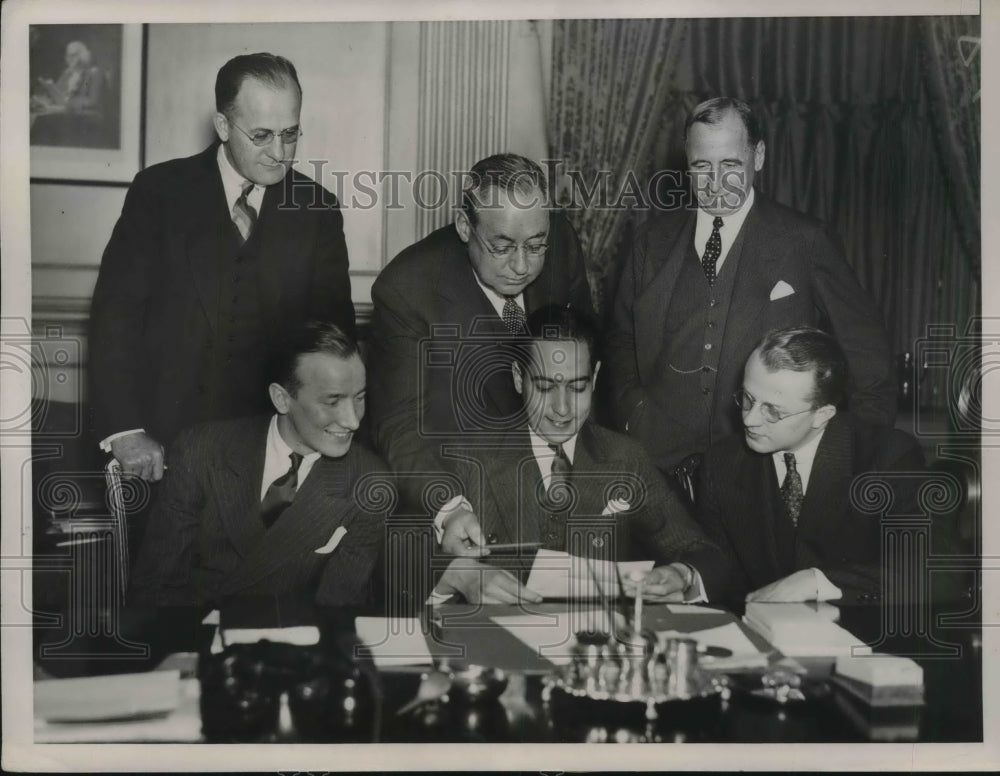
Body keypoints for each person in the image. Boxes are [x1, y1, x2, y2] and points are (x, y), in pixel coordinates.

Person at [89, 52, 354, 482]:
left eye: (290, 134)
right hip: (166, 451)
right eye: (262, 135)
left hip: (273, 454)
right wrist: (126, 430)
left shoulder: (317, 209)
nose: (279, 153)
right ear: (224, 126)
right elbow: (114, 319)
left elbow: (333, 340)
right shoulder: (159, 194)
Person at [604, 97, 895, 478]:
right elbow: (621, 342)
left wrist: (851, 458)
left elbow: (868, 359)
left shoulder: (805, 240)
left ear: (758, 156)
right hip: (659, 471)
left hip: (762, 478)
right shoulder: (649, 242)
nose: (716, 182)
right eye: (701, 167)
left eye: (730, 165)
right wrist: (634, 414)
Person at [367, 153, 592, 556]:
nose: (521, 266)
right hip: (467, 492)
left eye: (535, 246)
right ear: (465, 226)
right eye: (502, 247)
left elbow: (585, 368)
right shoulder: (407, 288)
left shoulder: (562, 245)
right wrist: (449, 507)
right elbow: (399, 425)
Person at [434, 305, 728, 605]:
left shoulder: (625, 458)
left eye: (577, 387)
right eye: (545, 387)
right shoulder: (469, 456)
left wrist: (683, 574)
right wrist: (459, 575)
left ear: (595, 376)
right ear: (518, 378)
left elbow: (703, 552)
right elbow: (398, 563)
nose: (562, 409)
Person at [128, 322, 387, 611]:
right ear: (282, 399)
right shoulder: (201, 451)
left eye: (360, 398)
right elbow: (155, 589)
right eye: (333, 401)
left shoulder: (370, 483)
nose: (353, 421)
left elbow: (336, 614)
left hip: (295, 649)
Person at [697, 327, 924, 607]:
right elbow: (720, 570)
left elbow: (933, 571)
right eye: (747, 398)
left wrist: (817, 583)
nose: (750, 419)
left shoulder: (888, 457)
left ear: (822, 415)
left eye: (773, 411)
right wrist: (686, 576)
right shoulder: (722, 464)